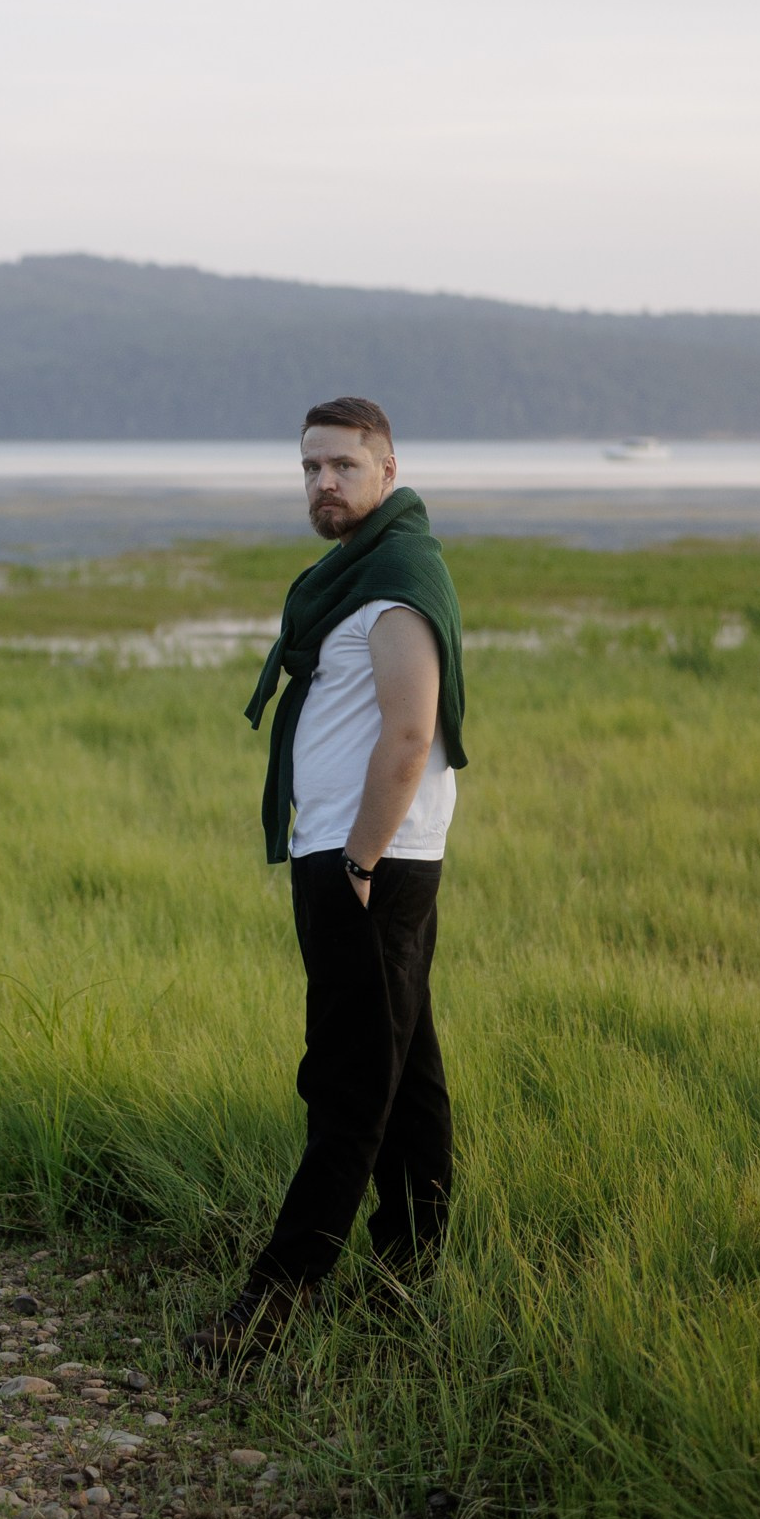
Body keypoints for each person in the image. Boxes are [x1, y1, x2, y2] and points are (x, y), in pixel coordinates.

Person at [196, 395, 468, 1373]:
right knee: (404, 1078)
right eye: (309, 467)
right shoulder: (357, 577)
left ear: (385, 472)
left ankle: (261, 1318)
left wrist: (353, 859)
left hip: (368, 864)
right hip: (357, 857)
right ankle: (408, 1282)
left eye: (342, 467)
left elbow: (408, 729)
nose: (322, 483)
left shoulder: (394, 581)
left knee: (347, 1085)